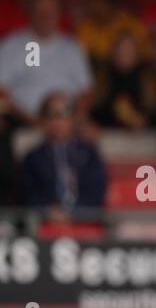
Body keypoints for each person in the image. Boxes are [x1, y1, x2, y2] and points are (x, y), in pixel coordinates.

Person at [0, 0, 92, 123]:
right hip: (20, 127)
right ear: (29, 13)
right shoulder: (8, 47)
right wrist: (34, 122)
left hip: (67, 127)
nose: (46, 16)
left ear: (59, 13)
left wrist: (71, 123)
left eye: (50, 11)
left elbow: (86, 93)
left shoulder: (73, 48)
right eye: (40, 11)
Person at [21, 92, 107, 221]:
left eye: (63, 115)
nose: (58, 122)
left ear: (73, 118)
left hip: (84, 222)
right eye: (51, 116)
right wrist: (48, 211)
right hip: (45, 224)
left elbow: (96, 194)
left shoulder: (89, 154)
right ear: (43, 120)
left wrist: (73, 214)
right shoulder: (33, 158)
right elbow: (28, 197)